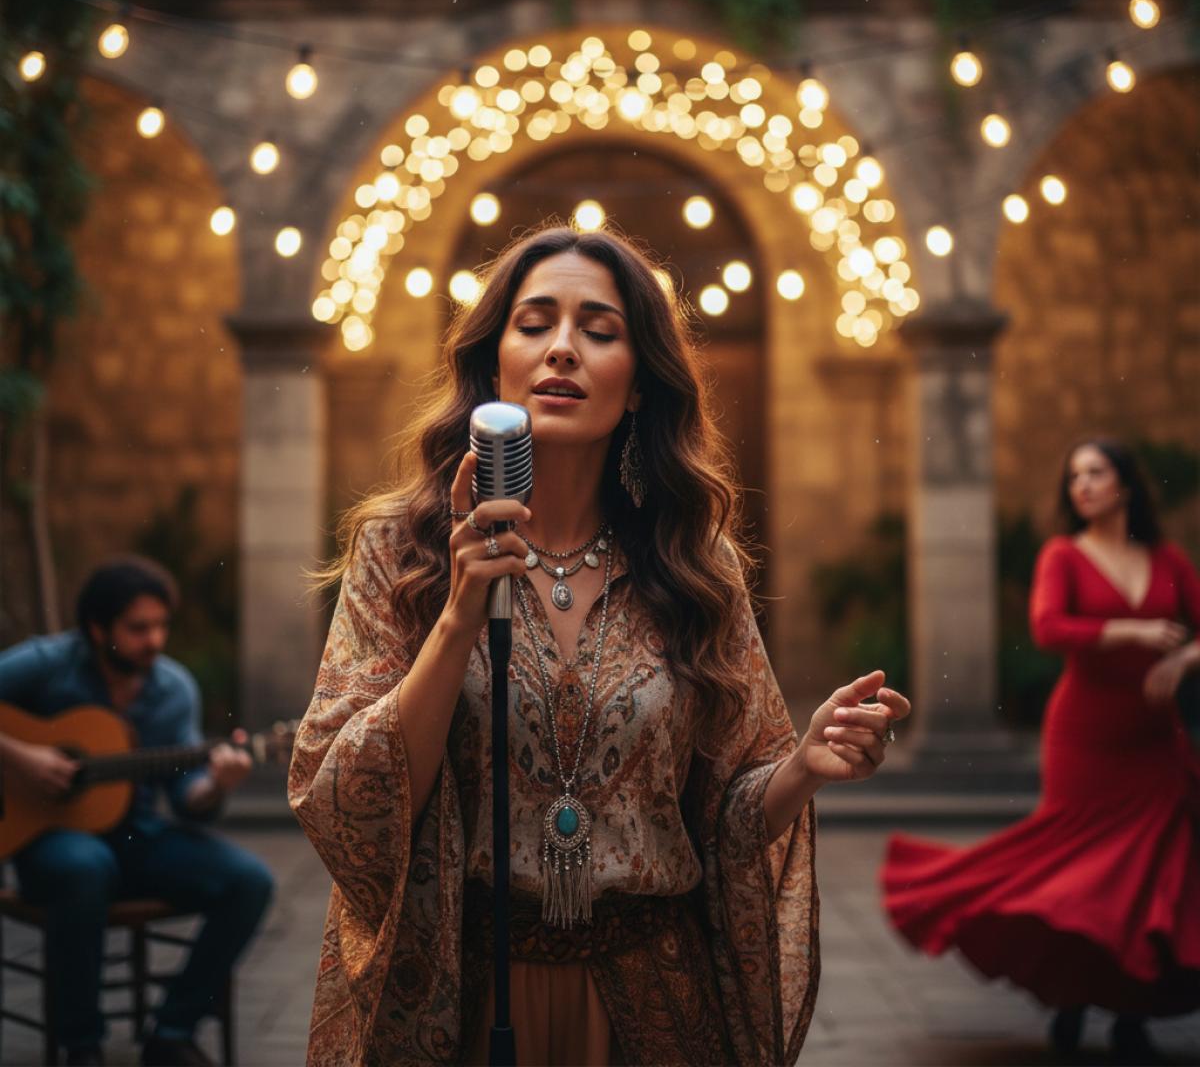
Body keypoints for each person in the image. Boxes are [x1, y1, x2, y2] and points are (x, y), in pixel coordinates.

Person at [288, 226, 912, 1067]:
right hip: (466, 999)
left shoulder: (694, 561)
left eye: (600, 330)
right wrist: (461, 611)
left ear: (641, 384)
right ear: (493, 366)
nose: (563, 350)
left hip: (654, 1004)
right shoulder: (402, 551)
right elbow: (347, 799)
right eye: (535, 323)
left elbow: (721, 817)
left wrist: (804, 764)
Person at [882, 438, 1200, 1066]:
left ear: (1125, 485)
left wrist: (1190, 654)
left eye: (1096, 472)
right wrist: (1128, 629)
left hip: (1155, 739)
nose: (1082, 485)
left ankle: (1130, 1012)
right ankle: (1075, 997)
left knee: (1143, 874)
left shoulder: (1167, 559)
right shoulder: (1064, 555)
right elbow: (1048, 628)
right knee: (1083, 870)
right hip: (1087, 735)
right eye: (1074, 475)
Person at [0, 556, 275, 1067]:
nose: (155, 640)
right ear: (96, 627)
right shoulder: (46, 662)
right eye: (138, 628)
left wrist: (215, 785)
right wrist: (23, 756)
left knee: (250, 880)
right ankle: (82, 1044)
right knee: (86, 866)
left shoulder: (172, 688)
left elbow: (188, 801)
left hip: (137, 836)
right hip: (48, 839)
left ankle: (171, 1031)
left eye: (161, 626)